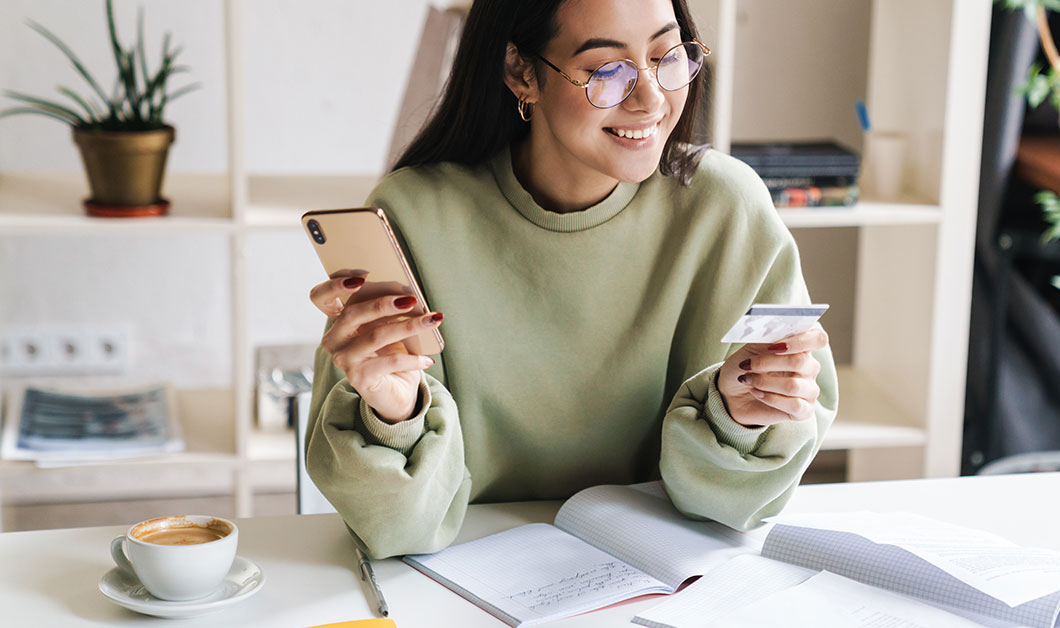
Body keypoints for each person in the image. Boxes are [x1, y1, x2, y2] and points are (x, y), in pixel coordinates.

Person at [304, 0, 837, 559]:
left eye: (666, 55)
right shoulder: (413, 215)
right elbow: (395, 531)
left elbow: (733, 512)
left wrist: (741, 417)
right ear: (521, 72)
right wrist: (393, 413)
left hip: (664, 578)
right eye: (608, 70)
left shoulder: (726, 209)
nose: (651, 99)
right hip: (462, 578)